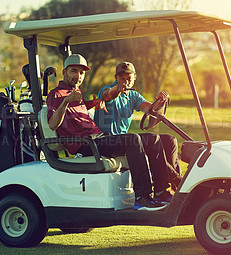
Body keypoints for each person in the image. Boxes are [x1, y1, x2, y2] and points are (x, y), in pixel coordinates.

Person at [46, 54, 172, 211]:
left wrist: (93, 103)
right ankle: (142, 197)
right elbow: (52, 124)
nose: (78, 76)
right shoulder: (56, 94)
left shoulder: (75, 93)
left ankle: (161, 192)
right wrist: (66, 101)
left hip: (98, 139)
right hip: (85, 145)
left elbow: (79, 109)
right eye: (74, 71)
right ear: (64, 71)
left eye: (81, 73)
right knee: (132, 140)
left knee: (153, 139)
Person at [94, 61, 182, 192]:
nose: (125, 82)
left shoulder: (133, 95)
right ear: (116, 78)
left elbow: (151, 110)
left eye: (128, 78)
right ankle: (176, 182)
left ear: (134, 77)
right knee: (150, 139)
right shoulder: (106, 91)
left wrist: (161, 102)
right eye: (121, 79)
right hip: (108, 141)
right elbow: (108, 94)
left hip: (124, 141)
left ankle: (164, 190)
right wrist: (116, 90)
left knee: (170, 141)